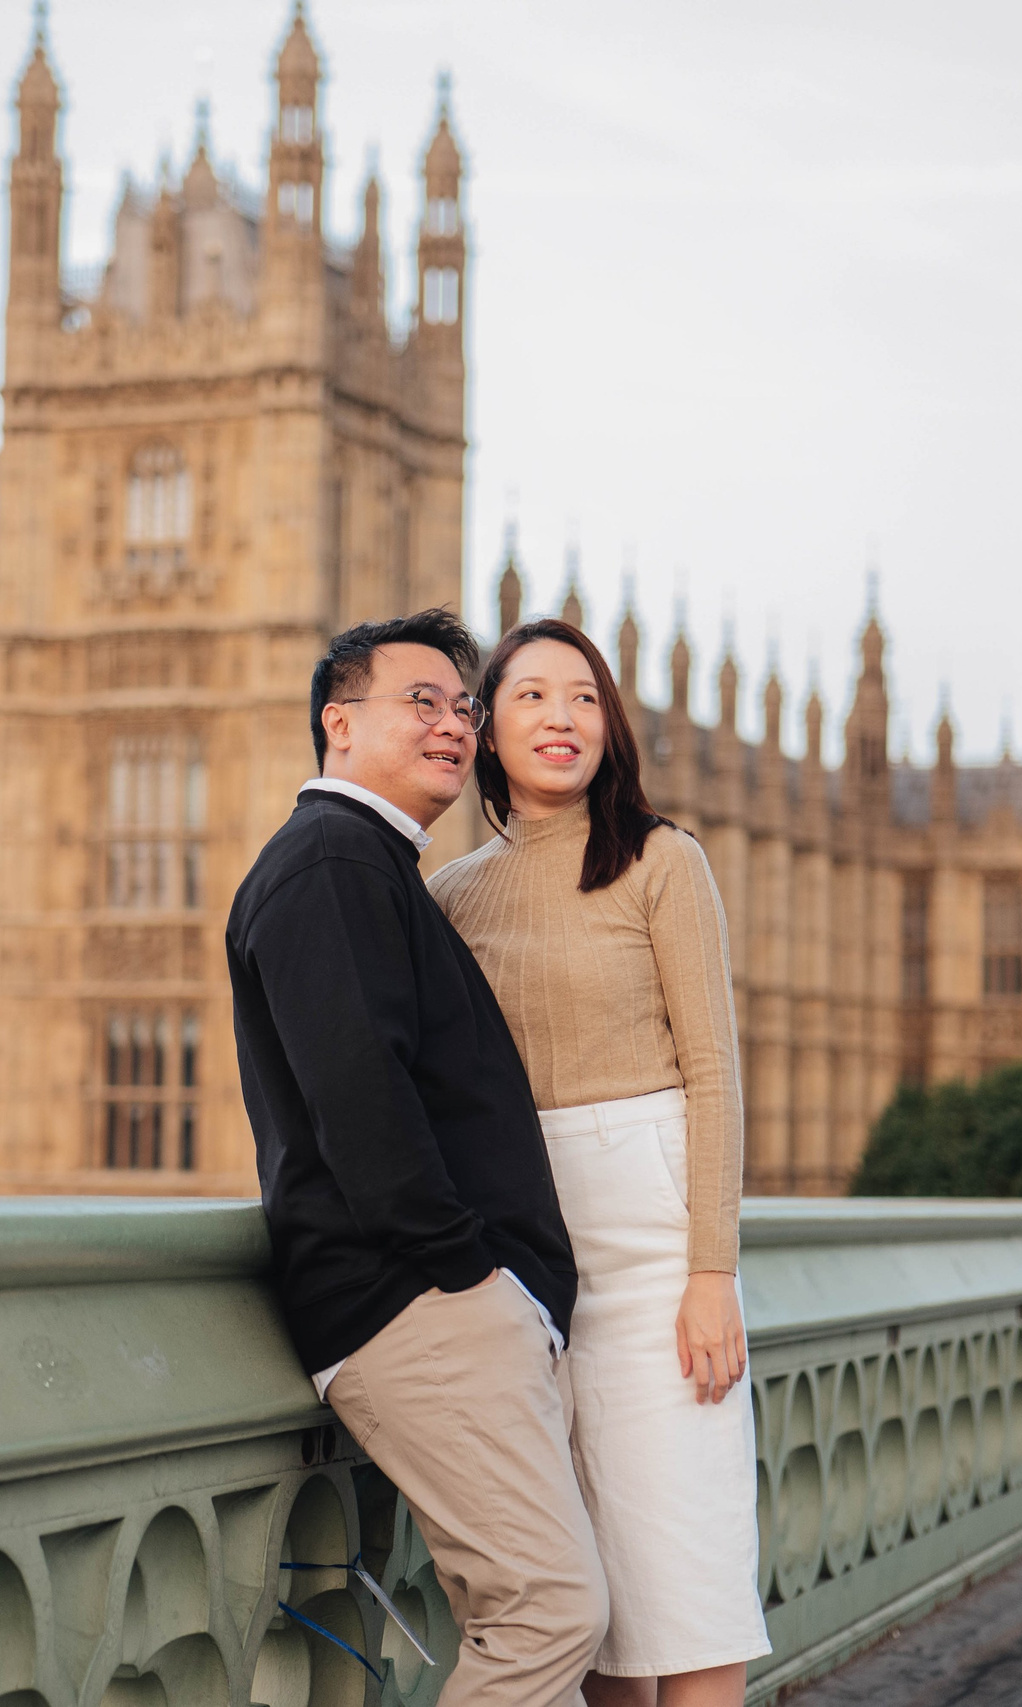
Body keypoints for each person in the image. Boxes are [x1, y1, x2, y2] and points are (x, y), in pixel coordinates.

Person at [227, 609, 606, 1707]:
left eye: (463, 706)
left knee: (536, 1616)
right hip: (420, 1307)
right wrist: (465, 1273)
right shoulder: (330, 864)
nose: (454, 725)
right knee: (548, 1614)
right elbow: (361, 1099)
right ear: (338, 725)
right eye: (421, 702)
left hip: (453, 1306)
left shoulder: (372, 864)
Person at [427, 618, 770, 1707]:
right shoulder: (452, 896)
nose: (561, 718)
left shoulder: (661, 863)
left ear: (608, 727)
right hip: (528, 1255)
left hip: (655, 1247)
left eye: (582, 698)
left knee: (692, 1579)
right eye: (530, 697)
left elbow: (713, 1073)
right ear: (489, 733)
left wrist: (710, 1272)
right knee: (597, 1599)